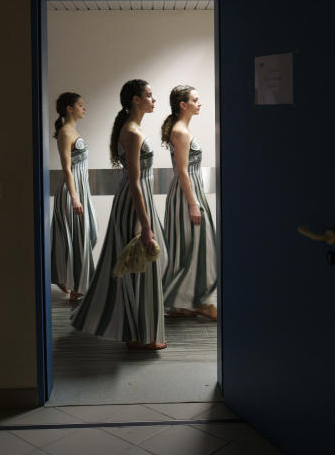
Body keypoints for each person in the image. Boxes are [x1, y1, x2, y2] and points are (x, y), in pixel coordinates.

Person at [71, 79, 168, 349]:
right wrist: (145, 225)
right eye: (149, 95)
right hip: (133, 203)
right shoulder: (133, 132)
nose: (153, 99)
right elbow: (135, 182)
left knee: (138, 265)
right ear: (136, 100)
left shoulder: (132, 128)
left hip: (134, 201)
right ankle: (140, 335)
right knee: (138, 264)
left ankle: (138, 333)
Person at [160, 85, 218, 321]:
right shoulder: (181, 131)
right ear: (183, 105)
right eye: (195, 99)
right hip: (186, 194)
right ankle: (196, 301)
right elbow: (182, 172)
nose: (199, 103)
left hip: (188, 192)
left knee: (190, 245)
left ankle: (183, 303)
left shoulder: (181, 129)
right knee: (196, 244)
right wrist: (193, 204)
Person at [50, 92, 97, 303]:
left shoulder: (72, 130)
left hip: (80, 190)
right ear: (69, 109)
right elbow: (67, 169)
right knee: (77, 238)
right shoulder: (65, 132)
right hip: (72, 193)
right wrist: (75, 197)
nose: (84, 108)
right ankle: (77, 288)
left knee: (88, 235)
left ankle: (70, 281)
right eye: (80, 104)